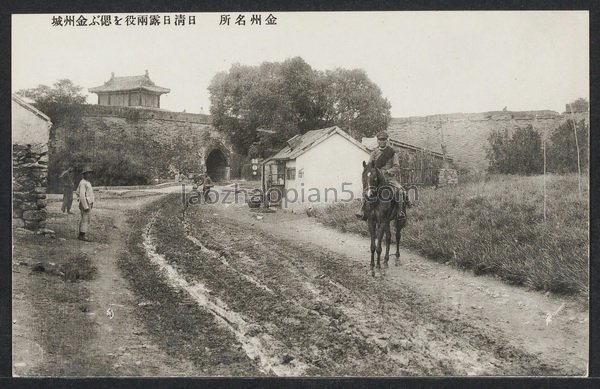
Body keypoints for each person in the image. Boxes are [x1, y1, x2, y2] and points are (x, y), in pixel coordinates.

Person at [355, 131, 405, 221]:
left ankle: (400, 212)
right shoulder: (374, 152)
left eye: (384, 139)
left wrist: (388, 171)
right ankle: (362, 210)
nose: (382, 141)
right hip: (376, 179)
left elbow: (397, 167)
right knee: (367, 191)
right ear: (377, 141)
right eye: (380, 139)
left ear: (387, 140)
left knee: (400, 191)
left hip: (389, 179)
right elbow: (370, 166)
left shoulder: (392, 153)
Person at [76, 165, 95, 242]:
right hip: (85, 203)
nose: (89, 175)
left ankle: (82, 233)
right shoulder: (83, 183)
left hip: (88, 202)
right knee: (85, 219)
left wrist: (91, 202)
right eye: (87, 173)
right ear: (84, 174)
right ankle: (82, 235)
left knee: (86, 219)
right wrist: (85, 206)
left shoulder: (87, 182)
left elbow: (78, 192)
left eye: (90, 173)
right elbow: (81, 195)